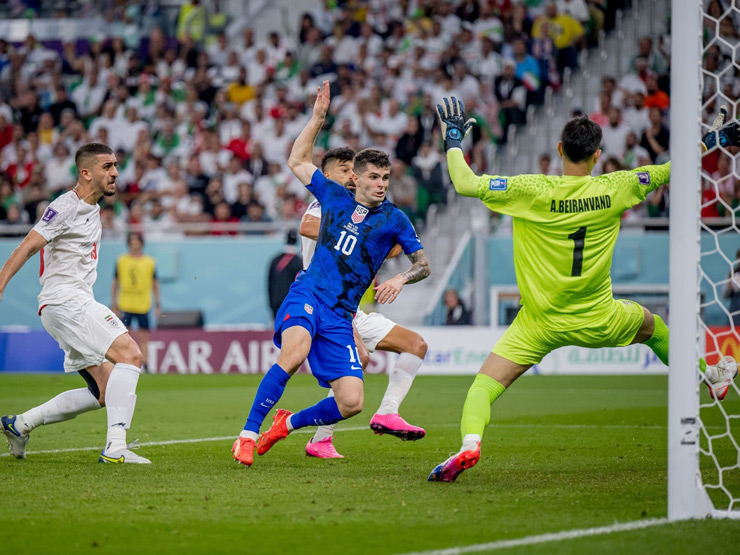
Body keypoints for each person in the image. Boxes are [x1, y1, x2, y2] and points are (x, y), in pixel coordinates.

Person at [427, 98, 738, 483]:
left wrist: (453, 139)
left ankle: (470, 444)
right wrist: (715, 139)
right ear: (597, 155)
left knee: (483, 387)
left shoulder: (531, 189)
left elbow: (465, 183)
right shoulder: (618, 186)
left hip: (537, 324)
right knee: (652, 326)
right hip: (599, 317)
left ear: (560, 149)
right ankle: (710, 376)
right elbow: (670, 171)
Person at [231, 81, 430, 467]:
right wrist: (318, 118)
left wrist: (399, 278)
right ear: (355, 177)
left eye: (385, 179)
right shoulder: (332, 197)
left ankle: (288, 425)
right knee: (294, 353)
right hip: (309, 294)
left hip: (342, 315)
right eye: (373, 177)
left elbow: (423, 264)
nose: (380, 185)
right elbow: (296, 160)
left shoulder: (395, 219)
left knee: (352, 402)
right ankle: (247, 434)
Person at [0, 143, 150, 464]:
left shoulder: (92, 206)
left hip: (62, 306)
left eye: (115, 166)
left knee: (105, 389)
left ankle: (21, 423)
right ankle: (115, 448)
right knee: (131, 355)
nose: (115, 173)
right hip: (66, 300)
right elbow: (27, 246)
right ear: (86, 173)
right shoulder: (64, 207)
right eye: (107, 167)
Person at [299, 146, 428, 459]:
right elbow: (306, 226)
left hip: (352, 307)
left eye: (352, 170)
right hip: (319, 300)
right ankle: (276, 427)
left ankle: (384, 413)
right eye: (344, 170)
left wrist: (376, 243)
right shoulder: (328, 200)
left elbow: (402, 250)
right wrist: (358, 236)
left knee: (416, 344)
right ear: (327, 176)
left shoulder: (372, 213)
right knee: (357, 358)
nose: (350, 176)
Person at [111, 232, 161, 372]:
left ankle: (146, 364)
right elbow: (115, 282)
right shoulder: (121, 260)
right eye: (132, 242)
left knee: (144, 336)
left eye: (136, 241)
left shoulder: (149, 261)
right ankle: (122, 364)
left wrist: (157, 304)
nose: (134, 244)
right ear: (128, 244)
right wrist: (114, 303)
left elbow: (155, 283)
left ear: (141, 243)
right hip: (125, 303)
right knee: (123, 337)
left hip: (143, 304)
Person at [267, 229, 303, 320]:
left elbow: (269, 284)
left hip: (277, 303)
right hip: (293, 305)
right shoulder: (300, 263)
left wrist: (271, 304)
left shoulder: (275, 260)